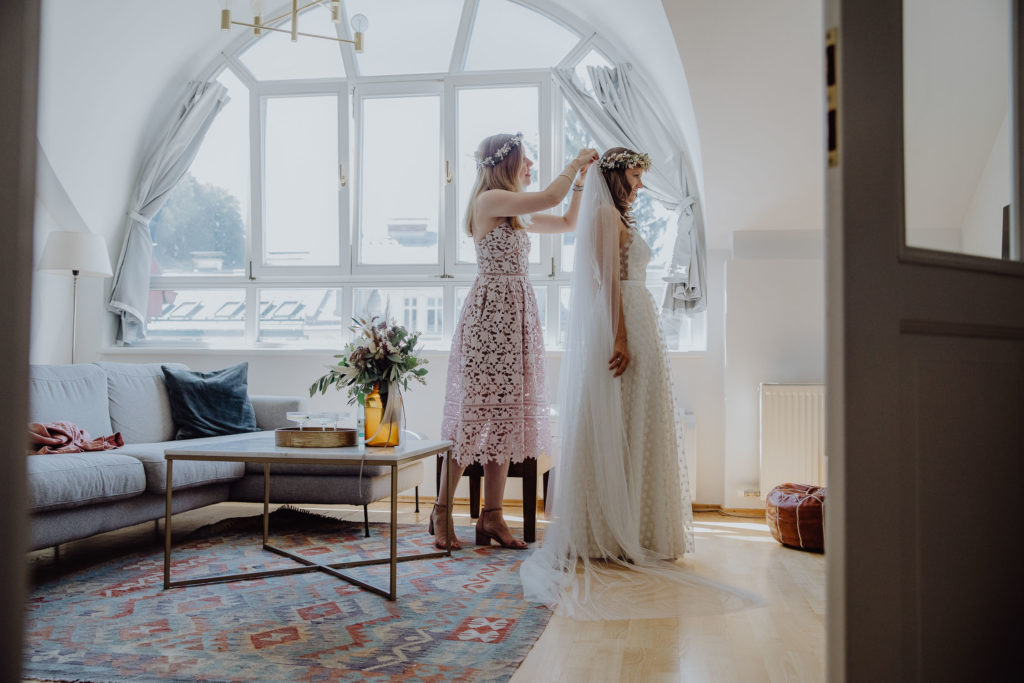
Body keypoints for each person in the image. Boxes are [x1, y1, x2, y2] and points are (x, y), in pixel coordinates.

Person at [520, 147, 702, 618]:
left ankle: (639, 527)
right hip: (622, 325)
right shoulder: (602, 214)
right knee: (616, 422)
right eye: (637, 176)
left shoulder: (618, 215)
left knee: (640, 420)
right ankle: (605, 529)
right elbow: (606, 281)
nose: (640, 185)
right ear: (618, 176)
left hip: (640, 323)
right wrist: (620, 335)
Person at [434, 133, 598, 550]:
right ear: (504, 164)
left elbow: (566, 222)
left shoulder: (514, 212)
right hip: (489, 321)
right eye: (526, 161)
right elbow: (548, 198)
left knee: (504, 420)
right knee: (471, 419)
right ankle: (440, 511)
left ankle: (492, 517)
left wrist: (579, 182)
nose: (530, 168)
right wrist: (575, 163)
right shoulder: (489, 201)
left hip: (518, 321)